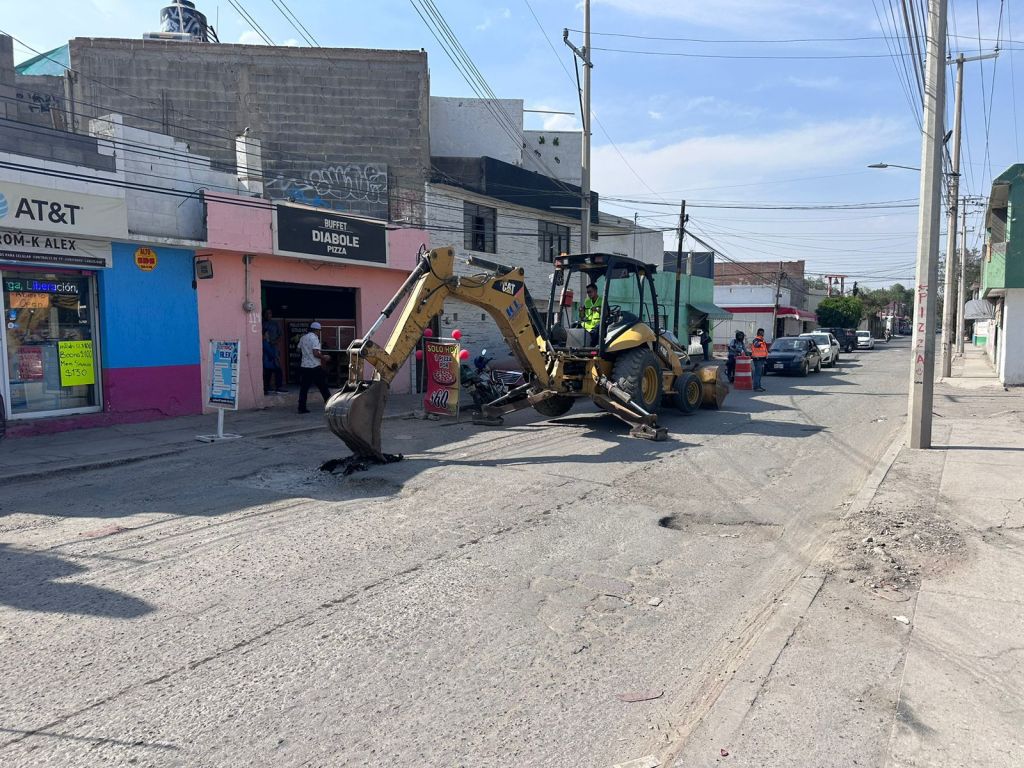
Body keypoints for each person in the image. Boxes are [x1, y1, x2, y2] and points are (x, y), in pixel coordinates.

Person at [297, 322, 331, 413]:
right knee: (323, 387)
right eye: (319, 330)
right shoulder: (314, 338)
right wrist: (324, 357)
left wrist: (306, 354)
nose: (319, 332)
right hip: (314, 366)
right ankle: (330, 406)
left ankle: (301, 408)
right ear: (316, 330)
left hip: (304, 366)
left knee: (304, 388)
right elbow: (316, 353)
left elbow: (298, 349)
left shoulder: (303, 337)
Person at [750, 327, 770, 392]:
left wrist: (766, 356)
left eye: (762, 332)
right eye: (761, 333)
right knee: (757, 374)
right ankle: (756, 387)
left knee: (759, 373)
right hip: (757, 359)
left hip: (761, 359)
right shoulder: (756, 340)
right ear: (759, 333)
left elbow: (764, 350)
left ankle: (759, 386)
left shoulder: (762, 341)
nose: (762, 334)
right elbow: (756, 345)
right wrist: (761, 342)